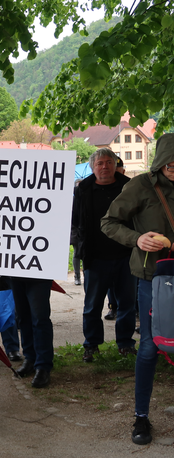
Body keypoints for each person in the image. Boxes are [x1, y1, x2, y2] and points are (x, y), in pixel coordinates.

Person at [102, 132, 174, 446]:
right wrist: (137, 239)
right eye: (170, 162)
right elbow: (109, 222)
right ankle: (141, 416)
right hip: (153, 278)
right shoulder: (142, 186)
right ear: (161, 160)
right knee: (149, 346)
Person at [72, 148, 136, 363]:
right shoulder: (83, 189)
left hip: (126, 255)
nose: (104, 167)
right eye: (100, 163)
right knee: (92, 305)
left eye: (109, 162)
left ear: (115, 164)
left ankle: (125, 343)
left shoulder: (128, 187)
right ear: (93, 167)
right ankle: (91, 345)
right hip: (95, 257)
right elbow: (74, 219)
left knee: (127, 303)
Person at [10, 277, 54, 388]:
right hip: (17, 273)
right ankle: (30, 358)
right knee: (22, 317)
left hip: (40, 274)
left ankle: (43, 365)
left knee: (39, 318)